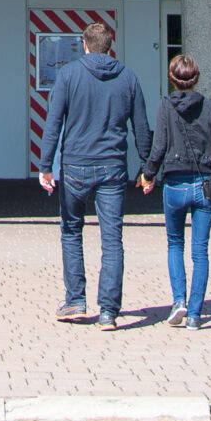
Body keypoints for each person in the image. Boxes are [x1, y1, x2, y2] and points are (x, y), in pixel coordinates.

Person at [35, 16, 149, 330]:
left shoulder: (68, 75)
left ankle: (76, 301)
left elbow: (53, 124)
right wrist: (147, 168)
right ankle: (109, 312)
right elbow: (141, 127)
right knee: (112, 241)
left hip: (75, 167)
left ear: (84, 46)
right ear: (110, 47)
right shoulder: (128, 78)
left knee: (72, 233)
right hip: (113, 167)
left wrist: (46, 166)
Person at [142, 52, 211, 329]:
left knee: (174, 244)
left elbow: (159, 146)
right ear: (196, 78)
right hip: (206, 183)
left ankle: (179, 300)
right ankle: (194, 315)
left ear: (172, 78)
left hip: (175, 183)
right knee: (200, 250)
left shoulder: (165, 106)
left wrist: (148, 175)